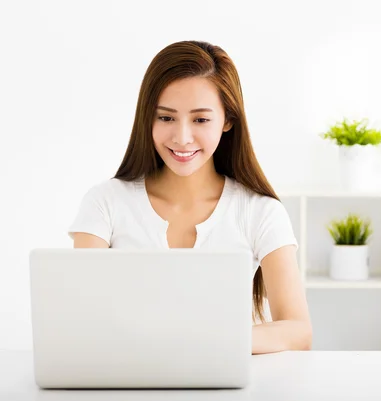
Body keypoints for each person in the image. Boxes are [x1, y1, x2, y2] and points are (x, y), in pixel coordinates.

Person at [68, 40, 312, 354]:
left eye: (200, 119)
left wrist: (207, 341)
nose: (182, 138)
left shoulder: (260, 212)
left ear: (227, 120)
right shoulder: (105, 203)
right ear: (148, 118)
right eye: (166, 118)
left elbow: (298, 331)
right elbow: (79, 321)